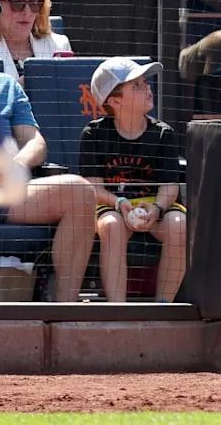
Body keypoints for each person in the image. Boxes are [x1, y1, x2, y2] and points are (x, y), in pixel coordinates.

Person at [0, 14, 97, 301]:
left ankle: (64, 311)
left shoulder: (4, 85)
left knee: (79, 192)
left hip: (1, 193)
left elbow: (36, 143)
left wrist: (15, 165)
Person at [81, 57, 187, 302]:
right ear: (115, 101)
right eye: (137, 85)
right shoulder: (93, 134)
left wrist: (158, 208)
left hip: (155, 204)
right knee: (111, 227)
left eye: (145, 82)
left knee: (180, 226)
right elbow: (93, 187)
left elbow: (170, 186)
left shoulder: (163, 134)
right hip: (111, 205)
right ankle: (117, 308)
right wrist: (119, 203)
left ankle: (163, 306)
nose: (148, 88)